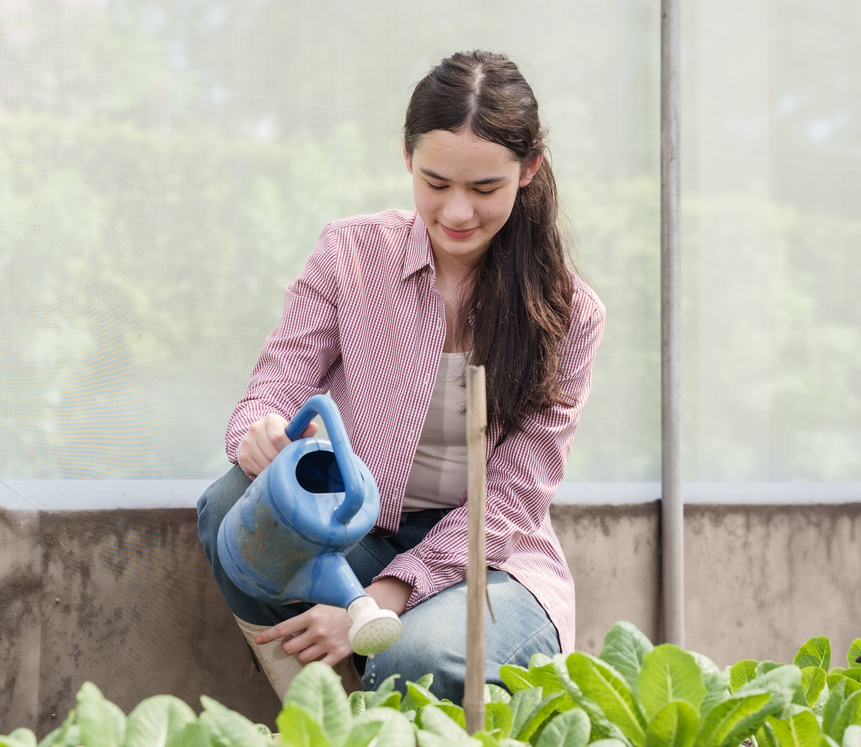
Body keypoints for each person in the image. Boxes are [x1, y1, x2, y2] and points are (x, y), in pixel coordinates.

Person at [197, 50, 605, 704]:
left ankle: (405, 716)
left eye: (485, 188)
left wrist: (376, 603)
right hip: (360, 530)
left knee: (419, 659)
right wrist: (258, 431)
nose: (457, 213)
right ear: (407, 157)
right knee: (230, 508)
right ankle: (325, 722)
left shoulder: (565, 314)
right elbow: (274, 385)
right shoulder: (351, 256)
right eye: (437, 183)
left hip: (489, 558)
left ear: (527, 170)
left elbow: (510, 499)